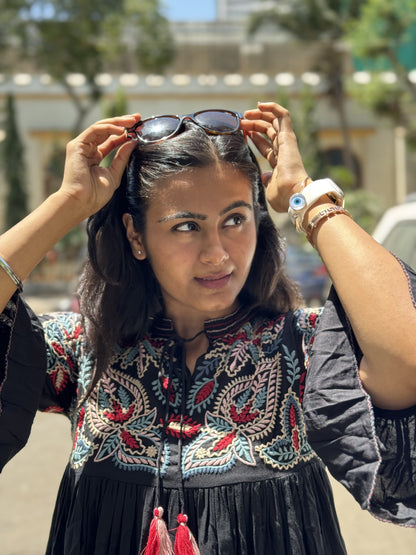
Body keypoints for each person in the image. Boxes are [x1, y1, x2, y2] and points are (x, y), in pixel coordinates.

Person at [0, 102, 415, 554]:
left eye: (235, 219)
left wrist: (306, 195)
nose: (217, 253)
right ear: (136, 236)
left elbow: (407, 357)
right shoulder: (83, 348)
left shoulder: (303, 348)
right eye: (185, 227)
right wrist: (68, 204)